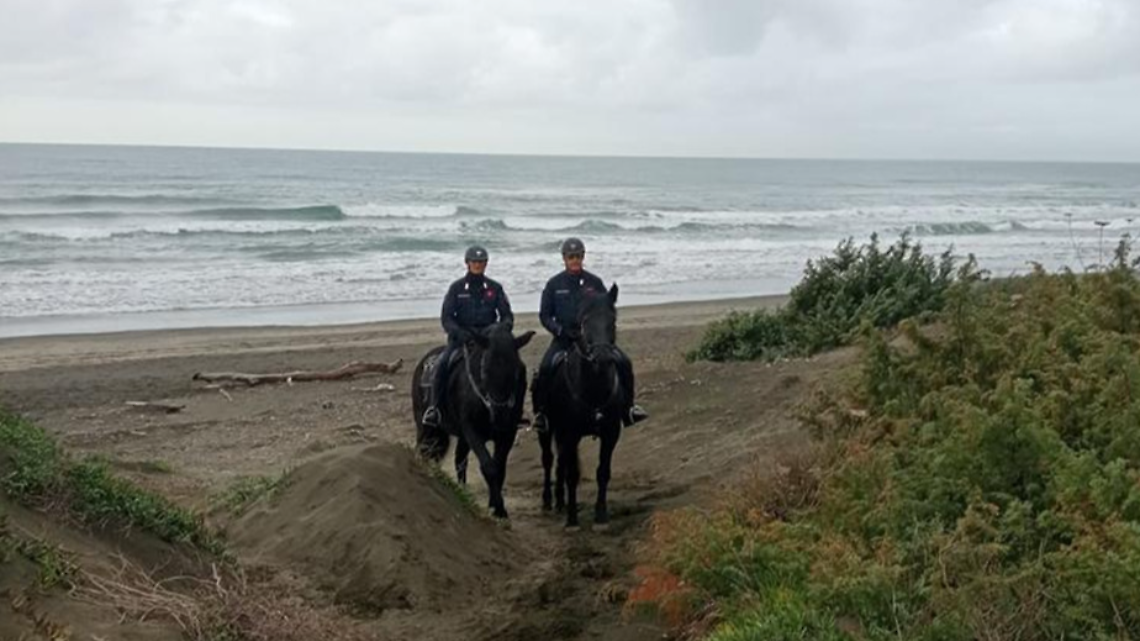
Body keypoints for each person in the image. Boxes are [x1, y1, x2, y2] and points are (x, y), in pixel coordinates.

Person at [531, 237, 648, 433]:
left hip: (594, 340)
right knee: (545, 367)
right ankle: (542, 414)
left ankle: (628, 409)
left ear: (583, 257)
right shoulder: (554, 284)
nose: (575, 260)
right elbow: (544, 315)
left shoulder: (595, 282)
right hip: (565, 339)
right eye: (571, 257)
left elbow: (606, 309)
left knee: (624, 362)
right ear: (564, 258)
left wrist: (601, 334)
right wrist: (560, 330)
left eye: (578, 256)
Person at [421, 245, 514, 429]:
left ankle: (513, 409)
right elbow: (447, 318)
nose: (478, 265)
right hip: (461, 341)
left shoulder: (495, 288)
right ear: (467, 263)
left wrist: (499, 331)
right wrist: (459, 333)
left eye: (481, 262)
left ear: (486, 264)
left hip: (488, 341)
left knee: (512, 367)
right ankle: (435, 409)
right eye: (474, 262)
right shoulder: (456, 289)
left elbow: (507, 316)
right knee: (442, 365)